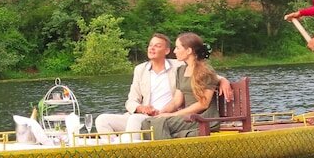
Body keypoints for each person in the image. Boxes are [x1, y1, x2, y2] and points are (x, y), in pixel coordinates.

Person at [94, 33, 230, 138]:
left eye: (157, 46)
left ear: (166, 51)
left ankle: (131, 150)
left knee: (138, 121)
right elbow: (131, 100)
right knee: (102, 119)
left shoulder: (178, 65)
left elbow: (205, 75)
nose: (151, 48)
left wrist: (223, 80)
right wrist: (141, 108)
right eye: (150, 45)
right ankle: (112, 149)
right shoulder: (141, 70)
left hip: (172, 116)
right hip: (148, 114)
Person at [143, 32, 221, 140]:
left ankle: (167, 153)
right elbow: (176, 101)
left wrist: (173, 115)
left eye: (178, 48)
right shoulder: (181, 70)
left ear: (188, 51)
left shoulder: (205, 71)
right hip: (188, 116)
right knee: (148, 122)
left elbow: (203, 104)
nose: (174, 51)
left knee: (160, 124)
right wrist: (162, 112)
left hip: (204, 117)